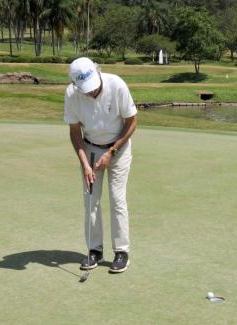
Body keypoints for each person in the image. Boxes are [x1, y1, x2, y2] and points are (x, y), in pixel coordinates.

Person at [64, 57, 138, 273]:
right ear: (76, 85)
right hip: (91, 149)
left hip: (119, 147)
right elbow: (74, 132)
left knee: (117, 199)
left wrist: (112, 151)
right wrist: (85, 164)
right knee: (91, 201)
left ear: (98, 73)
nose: (91, 93)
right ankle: (94, 250)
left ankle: (122, 252)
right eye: (86, 90)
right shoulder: (71, 95)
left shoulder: (116, 84)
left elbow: (132, 121)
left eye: (94, 88)